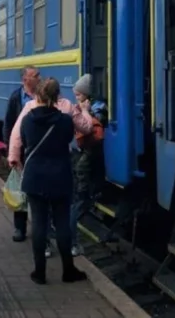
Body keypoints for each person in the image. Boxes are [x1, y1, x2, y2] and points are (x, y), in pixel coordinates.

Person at [8, 72, 94, 258]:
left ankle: (43, 257)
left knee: (39, 220)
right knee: (62, 218)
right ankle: (68, 259)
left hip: (35, 174)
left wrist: (14, 156)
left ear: (38, 93)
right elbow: (86, 128)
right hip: (60, 172)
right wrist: (85, 110)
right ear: (58, 94)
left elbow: (16, 133)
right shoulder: (67, 108)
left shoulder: (29, 109)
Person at [3, 66, 40, 242]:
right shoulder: (16, 97)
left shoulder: (42, 95)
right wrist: (10, 151)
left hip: (37, 150)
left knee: (39, 190)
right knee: (19, 189)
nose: (39, 78)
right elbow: (8, 124)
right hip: (22, 151)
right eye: (35, 75)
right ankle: (20, 228)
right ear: (26, 79)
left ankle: (42, 227)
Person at [70, 74, 105, 257]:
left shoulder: (96, 108)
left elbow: (90, 128)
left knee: (81, 197)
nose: (76, 98)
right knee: (80, 196)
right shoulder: (86, 107)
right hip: (86, 158)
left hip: (90, 157)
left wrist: (85, 111)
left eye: (78, 95)